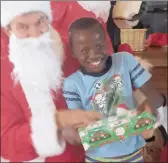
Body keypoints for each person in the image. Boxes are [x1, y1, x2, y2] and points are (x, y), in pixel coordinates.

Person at [0, 1, 102, 162]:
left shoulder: (70, 49)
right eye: (23, 27)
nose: (34, 35)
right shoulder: (4, 73)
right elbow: (6, 143)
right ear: (8, 30)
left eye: (40, 22)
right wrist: (59, 122)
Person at [63, 18, 164, 162]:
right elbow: (78, 127)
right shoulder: (72, 84)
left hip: (133, 155)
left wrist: (149, 108)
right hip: (97, 158)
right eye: (85, 50)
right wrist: (74, 135)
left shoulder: (125, 61)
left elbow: (154, 97)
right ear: (73, 52)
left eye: (99, 46)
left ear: (106, 43)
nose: (93, 54)